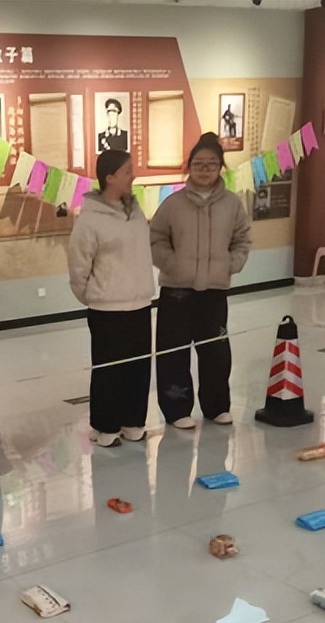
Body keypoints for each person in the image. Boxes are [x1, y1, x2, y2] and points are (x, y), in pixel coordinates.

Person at [150, 132, 252, 429]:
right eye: (198, 164)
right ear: (189, 167)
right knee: (173, 351)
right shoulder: (173, 204)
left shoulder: (232, 204)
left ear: (220, 167)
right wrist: (173, 265)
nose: (204, 170)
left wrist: (230, 265)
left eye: (211, 164)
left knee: (215, 351)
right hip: (176, 290)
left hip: (214, 289)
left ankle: (216, 406)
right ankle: (176, 409)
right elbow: (156, 239)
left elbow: (242, 240)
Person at [67, 149, 156, 447]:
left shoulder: (136, 212)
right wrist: (95, 295)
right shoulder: (90, 219)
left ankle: (134, 422)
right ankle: (106, 426)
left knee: (138, 368)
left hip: (140, 303)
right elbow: (79, 265)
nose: (133, 176)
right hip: (107, 308)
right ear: (109, 177)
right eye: (127, 171)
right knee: (109, 370)